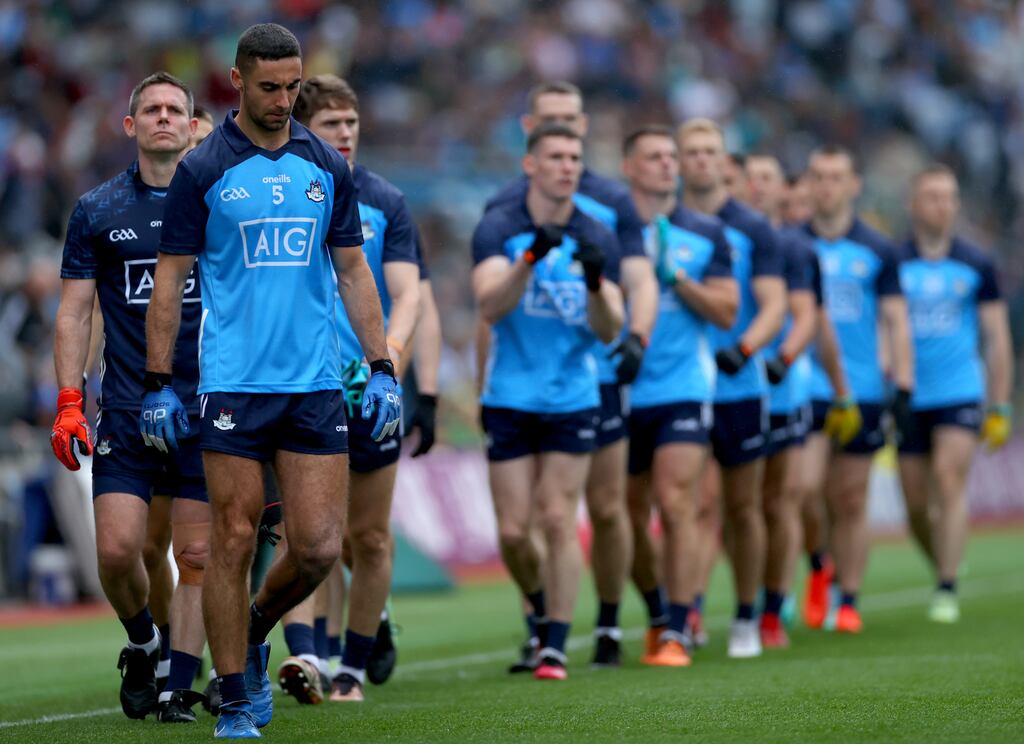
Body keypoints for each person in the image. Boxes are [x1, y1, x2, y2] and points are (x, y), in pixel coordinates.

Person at [143, 24, 400, 738]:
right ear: (236, 81)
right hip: (232, 384)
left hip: (315, 384)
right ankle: (234, 699)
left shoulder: (326, 166)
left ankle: (254, 626)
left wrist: (382, 370)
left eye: (292, 86)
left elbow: (353, 271)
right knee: (232, 534)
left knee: (318, 547)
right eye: (269, 87)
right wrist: (159, 381)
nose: (284, 99)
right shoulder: (203, 171)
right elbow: (171, 282)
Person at [51, 72, 211, 723]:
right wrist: (68, 399)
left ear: (194, 124)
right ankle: (144, 642)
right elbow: (73, 314)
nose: (164, 117)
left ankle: (180, 683)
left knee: (195, 554)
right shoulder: (96, 209)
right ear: (131, 124)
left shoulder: (217, 206)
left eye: (176, 108)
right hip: (123, 408)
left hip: (207, 408)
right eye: (152, 108)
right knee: (121, 551)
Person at [484, 81, 657, 668]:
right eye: (555, 154)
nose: (566, 165)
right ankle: (538, 612)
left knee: (572, 513)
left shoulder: (602, 224)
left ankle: (571, 636)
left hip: (578, 391)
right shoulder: (500, 220)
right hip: (509, 392)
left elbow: (613, 318)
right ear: (530, 154)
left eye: (573, 155)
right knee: (513, 531)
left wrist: (594, 283)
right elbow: (488, 306)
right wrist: (531, 256)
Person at [273, 73, 423, 705]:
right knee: (307, 534)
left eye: (352, 124)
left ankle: (352, 669)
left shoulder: (384, 201)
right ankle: (309, 655)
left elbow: (410, 293)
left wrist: (391, 360)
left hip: (368, 388)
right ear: (307, 128)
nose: (346, 134)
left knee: (369, 537)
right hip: (302, 386)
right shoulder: (283, 192)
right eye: (332, 124)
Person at [622, 125, 738, 667]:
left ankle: (680, 625)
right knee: (624, 517)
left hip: (683, 389)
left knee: (676, 505)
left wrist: (680, 282)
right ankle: (656, 611)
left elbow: (728, 312)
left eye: (673, 156)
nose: (669, 165)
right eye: (655, 157)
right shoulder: (609, 227)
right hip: (620, 390)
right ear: (630, 167)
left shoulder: (707, 233)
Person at [676, 119, 786, 659]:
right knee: (697, 503)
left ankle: (747, 613)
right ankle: (689, 607)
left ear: (725, 163)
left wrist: (744, 349)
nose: (700, 161)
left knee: (744, 509)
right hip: (685, 386)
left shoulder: (753, 228)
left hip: (740, 385)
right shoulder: (664, 225)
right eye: (690, 152)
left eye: (709, 152)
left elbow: (774, 305)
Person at [802, 145, 914, 634]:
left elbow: (895, 319)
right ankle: (816, 567)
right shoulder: (789, 243)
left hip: (863, 389)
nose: (826, 186)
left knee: (849, 498)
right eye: (818, 177)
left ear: (853, 185)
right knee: (803, 490)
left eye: (835, 177)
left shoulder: (878, 249)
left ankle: (848, 598)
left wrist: (903, 383)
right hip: (803, 388)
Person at [897, 164, 1013, 623]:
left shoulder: (976, 262)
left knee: (948, 478)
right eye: (932, 196)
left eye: (949, 197)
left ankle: (946, 584)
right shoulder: (894, 260)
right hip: (907, 392)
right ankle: (944, 556)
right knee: (914, 506)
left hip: (959, 389)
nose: (942, 205)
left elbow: (997, 337)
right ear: (913, 203)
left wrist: (999, 402)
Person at [744, 154, 823, 647]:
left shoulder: (795, 248)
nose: (755, 187)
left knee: (778, 501)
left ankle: (773, 607)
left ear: (780, 190)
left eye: (766, 179)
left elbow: (807, 315)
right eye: (748, 178)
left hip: (782, 390)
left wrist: (787, 356)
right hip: (729, 391)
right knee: (724, 504)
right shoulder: (723, 240)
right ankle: (723, 607)